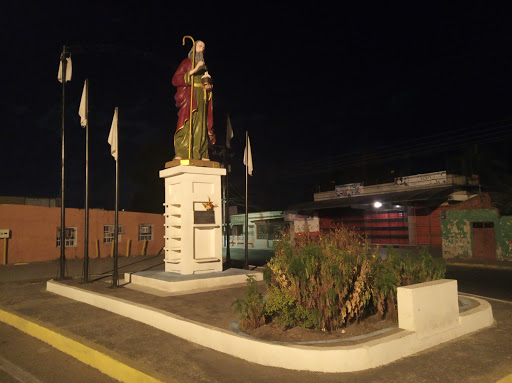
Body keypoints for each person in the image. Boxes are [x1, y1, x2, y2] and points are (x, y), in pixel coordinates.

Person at [172, 40, 215, 160]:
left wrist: (208, 88)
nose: (202, 49)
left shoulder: (204, 67)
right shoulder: (187, 63)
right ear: (194, 48)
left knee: (201, 124)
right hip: (190, 96)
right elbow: (176, 79)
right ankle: (183, 152)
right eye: (200, 46)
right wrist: (195, 69)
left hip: (202, 97)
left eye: (203, 47)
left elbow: (205, 81)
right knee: (188, 122)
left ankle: (200, 152)